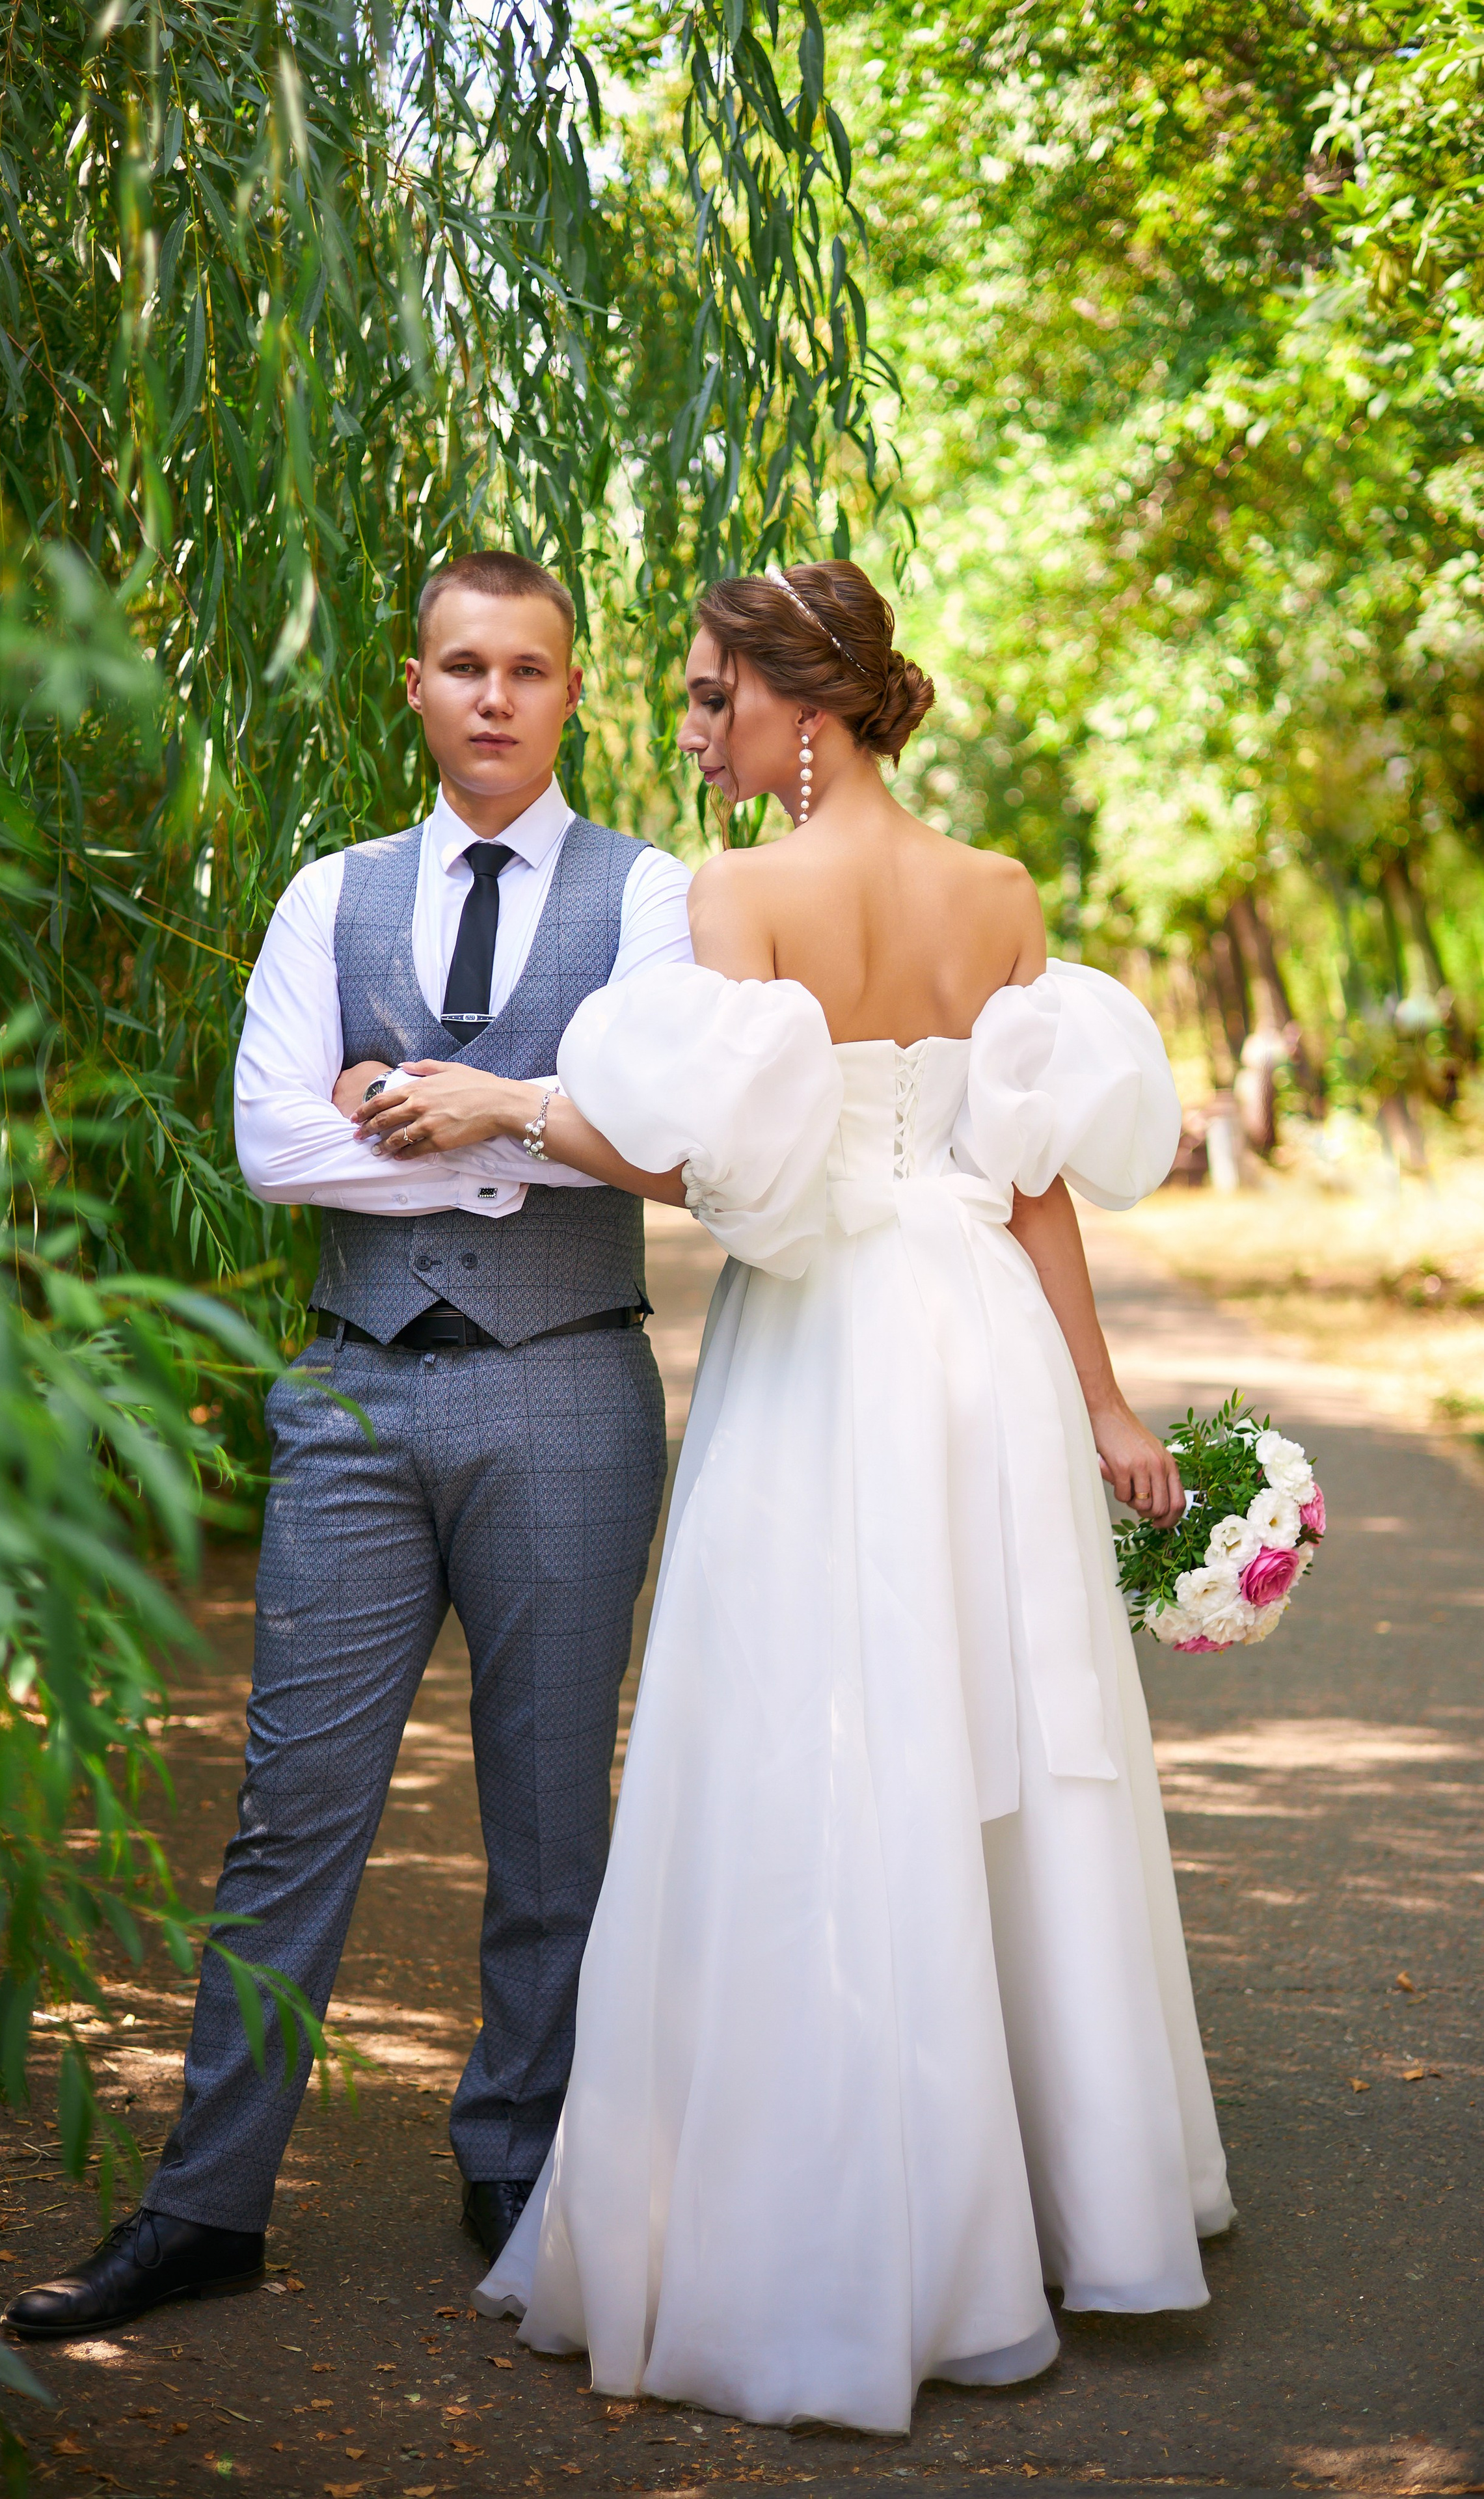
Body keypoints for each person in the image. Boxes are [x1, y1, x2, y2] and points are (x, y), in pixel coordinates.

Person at [384, 558, 1235, 2431]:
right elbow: (1030, 1180)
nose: (697, 732)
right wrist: (1102, 1400)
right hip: (991, 1348)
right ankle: (1070, 2197)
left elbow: (724, 1179)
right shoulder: (999, 894)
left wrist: (506, 1103)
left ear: (807, 714)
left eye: (715, 698)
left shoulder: (738, 894)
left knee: (813, 1741)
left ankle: (843, 2220)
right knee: (1003, 1739)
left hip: (832, 1349)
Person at [4, 550, 694, 2340]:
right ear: (413, 684)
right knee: (288, 1816)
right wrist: (519, 1132)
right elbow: (268, 1144)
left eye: (528, 670)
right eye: (462, 665)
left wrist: (428, 1109)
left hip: (569, 1387)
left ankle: (521, 2169)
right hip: (353, 1391)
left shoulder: (658, 900)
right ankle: (204, 2202)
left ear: (570, 691)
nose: (492, 696)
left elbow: (677, 1140)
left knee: (555, 1820)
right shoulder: (331, 892)